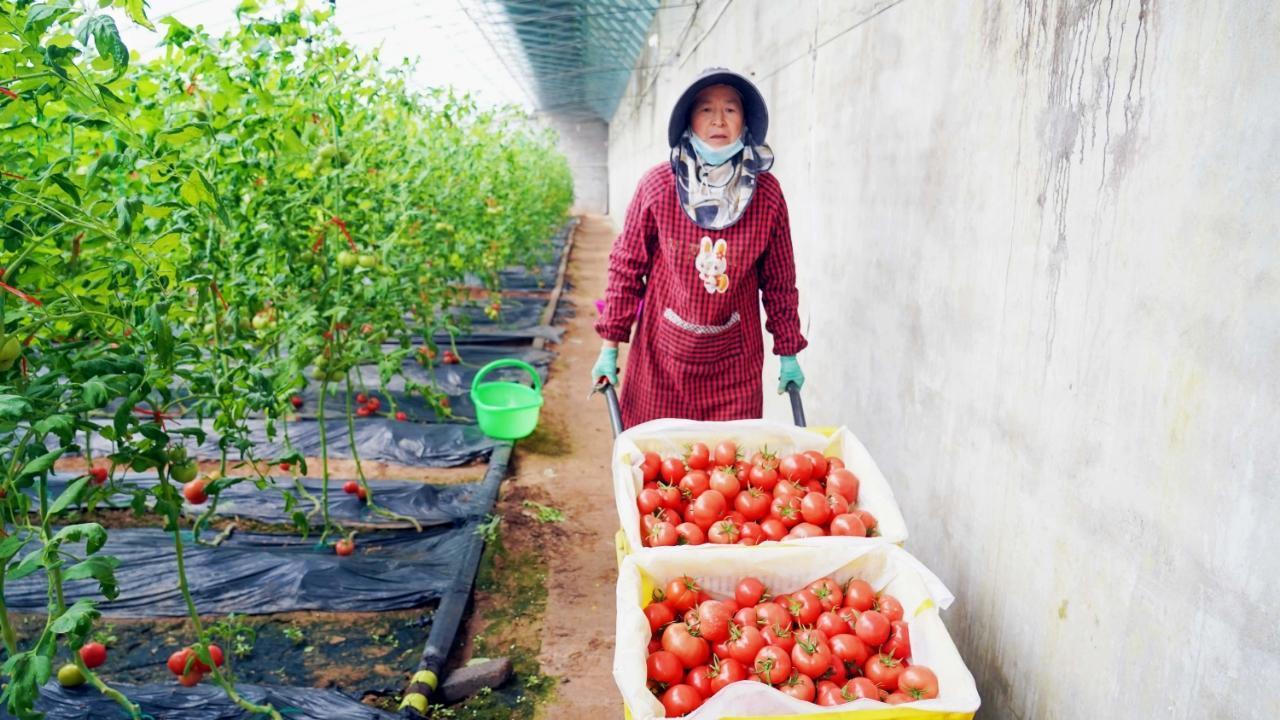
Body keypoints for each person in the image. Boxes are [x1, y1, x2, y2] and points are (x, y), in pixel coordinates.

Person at [592, 67, 806, 428]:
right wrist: (610, 343)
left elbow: (779, 281)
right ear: (689, 120)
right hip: (661, 362)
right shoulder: (658, 186)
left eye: (731, 109)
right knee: (654, 469)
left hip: (733, 367)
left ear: (745, 122)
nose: (718, 120)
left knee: (729, 470)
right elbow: (626, 268)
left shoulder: (766, 195)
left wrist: (788, 351)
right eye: (706, 109)